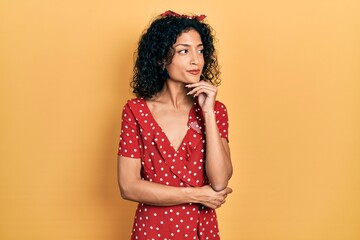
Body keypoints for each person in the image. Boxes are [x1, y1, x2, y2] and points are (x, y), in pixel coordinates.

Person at [117, 10, 233, 239]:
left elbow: (220, 182)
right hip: (153, 230)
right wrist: (197, 195)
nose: (195, 60)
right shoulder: (136, 111)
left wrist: (208, 112)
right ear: (161, 58)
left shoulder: (216, 110)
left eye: (200, 50)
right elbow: (129, 186)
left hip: (202, 229)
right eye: (184, 51)